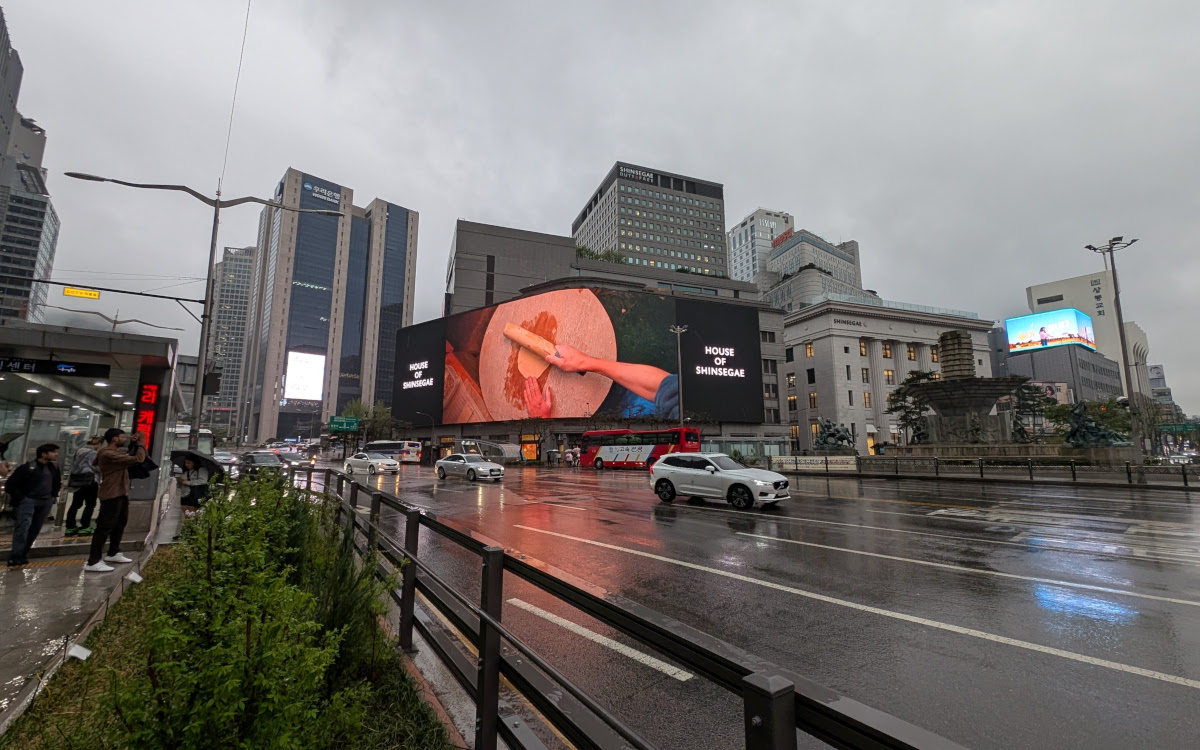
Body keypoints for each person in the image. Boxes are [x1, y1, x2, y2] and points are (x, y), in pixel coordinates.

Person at [523, 344, 679, 419]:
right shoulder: (689, 397)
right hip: (623, 389)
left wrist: (542, 420)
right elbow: (666, 387)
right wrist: (584, 362)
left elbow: (665, 388)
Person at [84, 428, 146, 573]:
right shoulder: (107, 454)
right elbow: (138, 459)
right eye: (122, 437)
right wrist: (142, 442)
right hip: (111, 494)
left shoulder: (114, 454)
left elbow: (129, 456)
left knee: (119, 524)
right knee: (104, 527)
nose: (125, 439)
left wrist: (134, 445)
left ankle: (113, 552)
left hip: (121, 493)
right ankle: (93, 561)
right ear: (114, 439)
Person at [5, 443, 61, 567]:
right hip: (29, 501)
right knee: (23, 527)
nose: (56, 454)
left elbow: (57, 482)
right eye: (53, 452)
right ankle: (15, 556)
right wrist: (23, 499)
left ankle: (23, 554)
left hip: (45, 501)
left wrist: (52, 496)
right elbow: (10, 485)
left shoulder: (54, 467)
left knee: (35, 528)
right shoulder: (28, 467)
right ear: (44, 454)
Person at [65, 436, 103, 536]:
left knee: (75, 504)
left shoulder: (78, 451)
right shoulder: (93, 453)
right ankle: (85, 526)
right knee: (90, 504)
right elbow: (96, 467)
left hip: (78, 480)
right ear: (98, 444)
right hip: (90, 480)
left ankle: (70, 527)